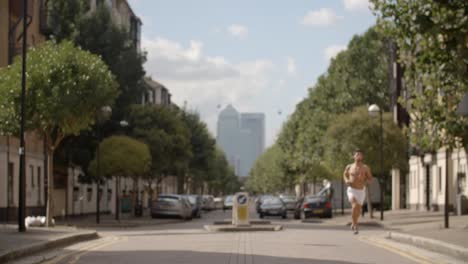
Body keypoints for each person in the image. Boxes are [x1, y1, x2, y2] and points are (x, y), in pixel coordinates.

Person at [343, 149, 373, 234]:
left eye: (360, 154)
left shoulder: (365, 168)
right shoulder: (349, 167)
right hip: (352, 190)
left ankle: (353, 222)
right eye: (357, 155)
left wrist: (366, 182)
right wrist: (346, 180)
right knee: (354, 206)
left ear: (362, 157)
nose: (358, 156)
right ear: (354, 156)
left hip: (361, 191)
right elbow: (345, 174)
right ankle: (356, 225)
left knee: (358, 210)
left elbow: (370, 178)